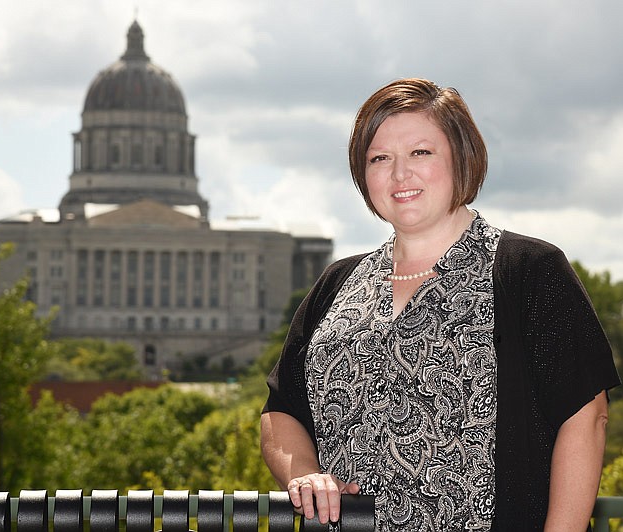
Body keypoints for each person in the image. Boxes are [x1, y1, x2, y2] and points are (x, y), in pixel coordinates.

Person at [260, 78, 620, 531]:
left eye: (421, 152)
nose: (399, 174)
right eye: (379, 158)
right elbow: (281, 411)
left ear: (461, 157)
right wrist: (304, 474)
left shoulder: (529, 270)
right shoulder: (337, 284)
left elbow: (585, 418)